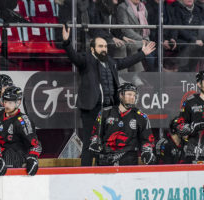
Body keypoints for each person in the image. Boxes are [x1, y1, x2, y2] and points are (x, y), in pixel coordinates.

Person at [62, 25, 155, 166]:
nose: (104, 49)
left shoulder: (110, 62)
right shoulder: (86, 60)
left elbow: (124, 62)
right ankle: (84, 173)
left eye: (105, 46)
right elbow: (73, 56)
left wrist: (142, 54)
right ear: (92, 49)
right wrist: (67, 42)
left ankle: (102, 168)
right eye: (100, 46)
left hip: (109, 109)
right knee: (89, 142)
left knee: (106, 142)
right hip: (91, 109)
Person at [89, 82, 156, 166]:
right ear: (121, 95)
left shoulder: (141, 116)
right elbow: (96, 135)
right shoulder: (105, 112)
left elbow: (147, 139)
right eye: (129, 94)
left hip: (129, 158)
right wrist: (95, 143)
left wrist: (147, 151)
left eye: (134, 95)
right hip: (105, 157)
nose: (132, 97)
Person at [0, 86, 42, 175]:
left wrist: (32, 158)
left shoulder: (23, 121)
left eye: (10, 102)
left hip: (15, 163)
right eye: (5, 101)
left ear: (18, 102)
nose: (7, 105)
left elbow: (36, 145)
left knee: (10, 153)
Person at [117, 0, 152, 72]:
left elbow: (145, 28)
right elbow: (126, 30)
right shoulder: (122, 7)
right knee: (136, 47)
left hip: (143, 39)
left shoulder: (143, 7)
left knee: (153, 50)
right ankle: (135, 75)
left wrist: (146, 39)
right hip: (130, 38)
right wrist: (142, 39)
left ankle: (152, 76)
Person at [171, 0, 204, 72]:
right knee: (191, 45)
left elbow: (202, 27)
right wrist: (194, 39)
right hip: (182, 39)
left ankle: (188, 74)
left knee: (203, 45)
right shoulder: (176, 9)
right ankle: (182, 72)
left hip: (196, 40)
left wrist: (199, 39)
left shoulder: (198, 9)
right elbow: (179, 29)